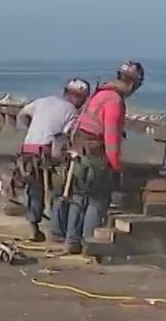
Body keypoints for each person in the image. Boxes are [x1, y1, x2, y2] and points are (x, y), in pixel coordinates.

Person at [62, 61, 145, 254]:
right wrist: (115, 166)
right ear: (133, 84)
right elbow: (111, 137)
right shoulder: (114, 101)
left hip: (79, 150)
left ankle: (71, 241)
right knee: (97, 200)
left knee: (78, 197)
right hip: (94, 155)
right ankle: (90, 243)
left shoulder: (99, 93)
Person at [14, 78, 89, 244]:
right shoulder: (73, 113)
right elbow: (65, 138)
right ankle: (57, 229)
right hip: (48, 155)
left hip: (27, 151)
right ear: (81, 98)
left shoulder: (43, 101)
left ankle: (34, 225)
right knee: (59, 188)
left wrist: (31, 130)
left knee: (34, 190)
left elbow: (22, 115)